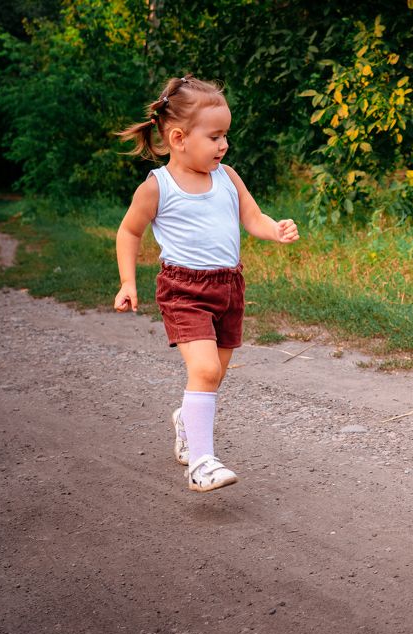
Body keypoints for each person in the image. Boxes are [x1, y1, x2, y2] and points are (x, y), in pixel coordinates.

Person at [113, 75, 299, 492]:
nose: (224, 145)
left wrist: (276, 230)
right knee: (205, 368)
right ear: (179, 138)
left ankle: (186, 419)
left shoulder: (228, 177)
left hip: (229, 288)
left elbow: (253, 218)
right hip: (184, 291)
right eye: (214, 136)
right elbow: (129, 233)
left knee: (213, 377)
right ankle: (201, 463)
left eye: (225, 135)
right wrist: (128, 281)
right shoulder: (157, 187)